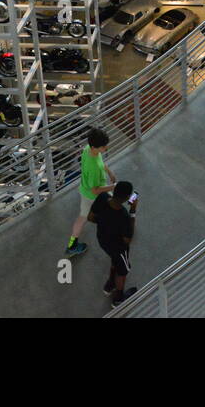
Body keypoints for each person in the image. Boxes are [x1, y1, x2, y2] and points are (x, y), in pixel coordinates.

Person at [66, 127, 114, 257]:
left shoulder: (88, 149)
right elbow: (95, 190)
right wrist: (112, 187)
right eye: (104, 147)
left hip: (84, 190)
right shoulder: (93, 168)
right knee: (112, 210)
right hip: (94, 196)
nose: (106, 148)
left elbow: (101, 162)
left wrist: (109, 172)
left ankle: (72, 245)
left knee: (82, 218)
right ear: (94, 147)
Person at [88, 180, 137, 306]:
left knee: (114, 260)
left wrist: (104, 223)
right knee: (123, 271)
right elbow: (127, 240)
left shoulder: (103, 197)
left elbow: (90, 217)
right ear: (127, 198)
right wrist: (133, 210)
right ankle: (118, 298)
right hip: (119, 248)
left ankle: (110, 284)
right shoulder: (124, 216)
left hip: (103, 241)